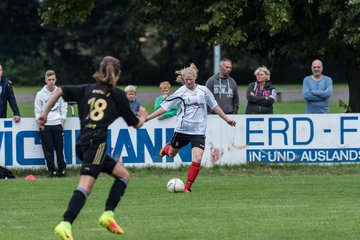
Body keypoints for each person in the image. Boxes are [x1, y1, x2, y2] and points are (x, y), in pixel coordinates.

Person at [37, 56, 147, 240]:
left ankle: (108, 215)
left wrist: (44, 113)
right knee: (86, 186)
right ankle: (65, 223)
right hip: (96, 145)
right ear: (118, 73)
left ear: (100, 71)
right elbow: (136, 124)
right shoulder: (117, 94)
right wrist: (143, 115)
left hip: (85, 143)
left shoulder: (86, 89)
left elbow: (60, 90)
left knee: (123, 175)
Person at [146, 63, 236, 193]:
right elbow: (165, 107)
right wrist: (148, 118)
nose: (188, 82)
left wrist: (227, 119)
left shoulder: (204, 91)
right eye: (186, 80)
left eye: (191, 79)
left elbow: (215, 106)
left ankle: (187, 187)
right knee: (171, 154)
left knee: (198, 158)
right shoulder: (181, 92)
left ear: (195, 77)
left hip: (198, 131)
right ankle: (166, 148)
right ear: (183, 79)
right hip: (182, 129)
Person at [35, 70, 68, 178]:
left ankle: (62, 169)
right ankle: (52, 171)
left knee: (60, 149)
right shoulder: (40, 94)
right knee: (48, 150)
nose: (51, 82)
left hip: (57, 124)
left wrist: (62, 121)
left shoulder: (59, 92)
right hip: (46, 125)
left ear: (55, 80)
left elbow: (64, 108)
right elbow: (37, 110)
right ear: (45, 80)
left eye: (53, 79)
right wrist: (40, 124)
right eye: (49, 80)